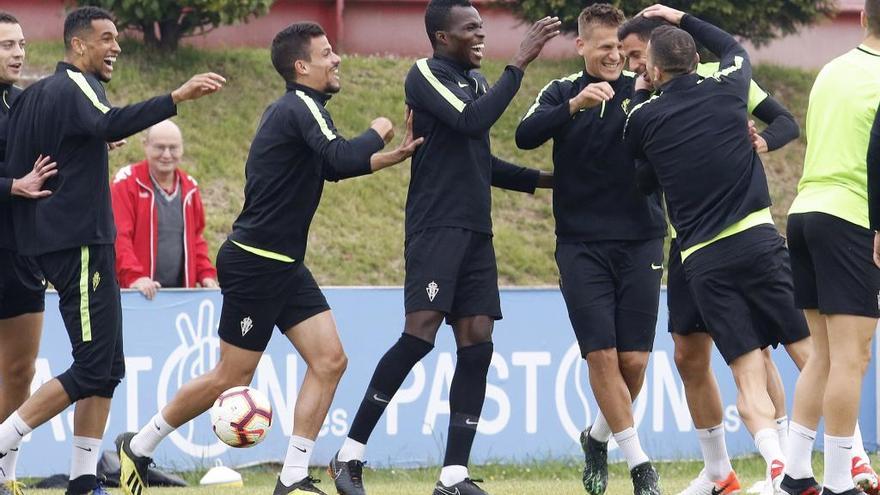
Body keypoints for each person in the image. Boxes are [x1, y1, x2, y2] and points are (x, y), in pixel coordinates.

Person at [115, 21, 422, 495]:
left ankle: (294, 476)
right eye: (327, 53)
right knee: (231, 376)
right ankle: (139, 445)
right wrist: (379, 131)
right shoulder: (301, 105)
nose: (336, 58)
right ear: (302, 67)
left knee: (330, 360)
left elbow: (330, 166)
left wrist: (389, 156)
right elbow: (340, 157)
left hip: (283, 263)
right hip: (257, 260)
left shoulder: (301, 112)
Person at [329, 2, 557, 494]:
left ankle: (452, 475)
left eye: (482, 26)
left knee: (477, 339)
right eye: (470, 28)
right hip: (437, 226)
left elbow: (481, 160)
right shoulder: (424, 75)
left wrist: (554, 182)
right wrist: (519, 63)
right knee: (421, 334)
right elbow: (473, 123)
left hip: (476, 230)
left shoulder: (475, 84)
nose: (481, 34)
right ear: (441, 38)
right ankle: (349, 456)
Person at [616, 13, 846, 495]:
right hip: (751, 244)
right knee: (809, 355)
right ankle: (827, 463)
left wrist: (641, 92)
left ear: (653, 71)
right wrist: (678, 16)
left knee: (748, 369)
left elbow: (639, 175)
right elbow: (732, 44)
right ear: (696, 60)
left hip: (704, 257)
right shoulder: (729, 85)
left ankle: (790, 465)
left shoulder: (642, 116)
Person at [0, 7, 224, 495]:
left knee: (109, 368)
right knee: (90, 366)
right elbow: (107, 121)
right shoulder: (73, 85)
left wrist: (92, 139)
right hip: (78, 244)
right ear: (78, 46)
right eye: (107, 38)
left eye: (117, 38)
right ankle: (3, 442)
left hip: (67, 243)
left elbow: (81, 136)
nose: (116, 47)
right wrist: (176, 96)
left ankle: (83, 480)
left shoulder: (33, 97)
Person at [514, 4, 666, 495]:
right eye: (605, 49)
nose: (615, 58)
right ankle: (641, 466)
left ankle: (597, 437)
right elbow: (524, 136)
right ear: (581, 47)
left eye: (621, 50)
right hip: (581, 245)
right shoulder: (561, 91)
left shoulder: (645, 89)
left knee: (635, 363)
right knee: (601, 357)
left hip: (643, 237)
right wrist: (575, 105)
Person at [782, 0, 880, 492]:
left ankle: (796, 473)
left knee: (822, 354)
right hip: (852, 218)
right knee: (851, 358)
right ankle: (841, 481)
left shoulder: (831, 70)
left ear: (862, 19)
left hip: (805, 211)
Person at [0, 12, 58, 495]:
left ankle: (5, 470)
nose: (18, 53)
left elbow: (58, 145)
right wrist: (9, 187)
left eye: (20, 44)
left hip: (20, 255)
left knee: (21, 371)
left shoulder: (25, 103)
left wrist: (97, 140)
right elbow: (18, 181)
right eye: (5, 45)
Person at [111, 119, 218, 300]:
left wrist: (206, 274)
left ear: (182, 149)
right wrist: (134, 277)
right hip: (135, 295)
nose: (167, 155)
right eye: (160, 147)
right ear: (146, 146)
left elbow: (196, 239)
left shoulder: (190, 188)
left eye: (173, 148)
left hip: (179, 298)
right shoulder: (126, 183)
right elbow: (118, 236)